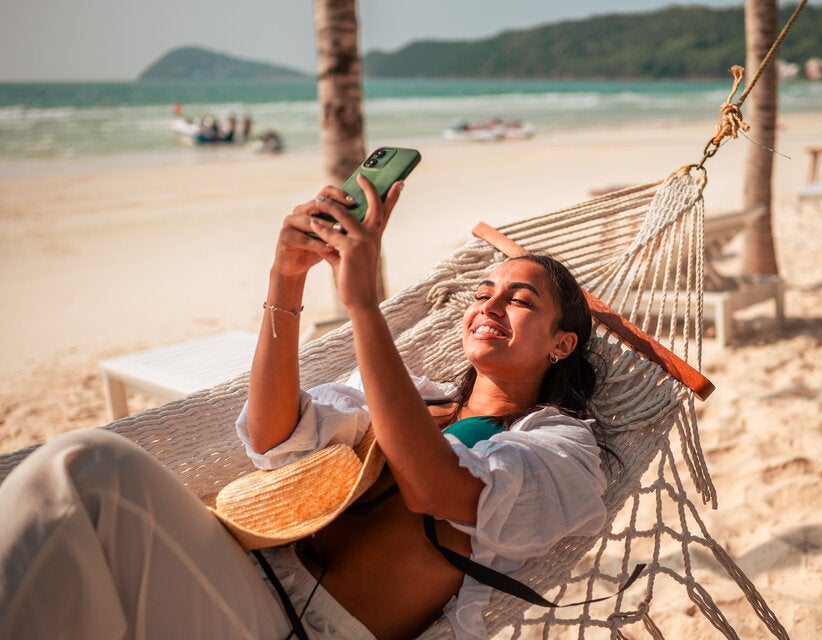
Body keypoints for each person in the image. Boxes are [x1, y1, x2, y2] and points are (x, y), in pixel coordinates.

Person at [0, 174, 609, 640]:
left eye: (519, 300)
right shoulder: (414, 396)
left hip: (298, 628)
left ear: (562, 344)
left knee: (89, 467)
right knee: (73, 478)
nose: (490, 306)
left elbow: (433, 489)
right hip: (241, 573)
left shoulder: (560, 451)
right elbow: (272, 437)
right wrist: (287, 277)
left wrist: (362, 306)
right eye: (482, 292)